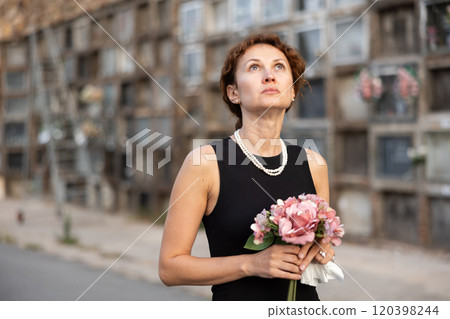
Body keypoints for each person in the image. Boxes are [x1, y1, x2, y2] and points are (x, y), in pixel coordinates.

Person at [159, 33, 335, 301]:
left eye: (279, 67)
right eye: (254, 67)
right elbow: (170, 269)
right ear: (234, 93)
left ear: (293, 91)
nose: (269, 75)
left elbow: (322, 245)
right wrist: (251, 264)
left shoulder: (314, 164)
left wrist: (322, 249)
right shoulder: (204, 164)